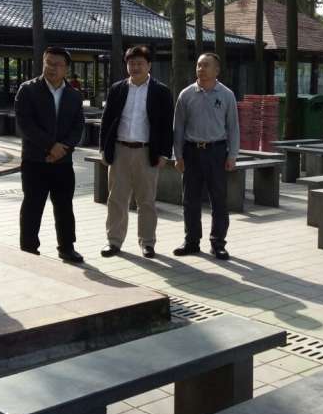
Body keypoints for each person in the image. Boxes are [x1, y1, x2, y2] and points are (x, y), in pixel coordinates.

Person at [99, 45, 174, 259]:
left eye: (140, 63)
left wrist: (164, 153)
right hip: (120, 150)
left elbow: (167, 125)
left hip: (146, 151)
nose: (135, 67)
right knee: (116, 199)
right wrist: (103, 148)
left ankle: (147, 242)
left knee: (146, 201)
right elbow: (107, 120)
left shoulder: (161, 91)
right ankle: (114, 241)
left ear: (149, 65)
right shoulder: (117, 89)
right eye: (131, 63)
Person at [14, 46, 86, 263]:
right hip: (35, 160)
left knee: (64, 205)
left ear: (66, 69)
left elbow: (78, 127)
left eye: (57, 64)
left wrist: (63, 148)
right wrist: (50, 146)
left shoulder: (74, 95)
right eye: (49, 63)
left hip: (63, 161)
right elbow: (25, 125)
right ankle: (29, 247)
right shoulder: (28, 90)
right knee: (33, 205)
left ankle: (67, 247)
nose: (52, 68)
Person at [173, 52, 240, 260]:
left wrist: (232, 155)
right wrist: (178, 155)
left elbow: (233, 127)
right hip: (191, 152)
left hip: (216, 152)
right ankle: (191, 241)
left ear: (217, 70)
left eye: (206, 65)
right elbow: (178, 127)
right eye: (199, 65)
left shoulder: (226, 95)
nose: (201, 69)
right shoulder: (186, 94)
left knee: (219, 199)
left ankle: (218, 243)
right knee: (190, 200)